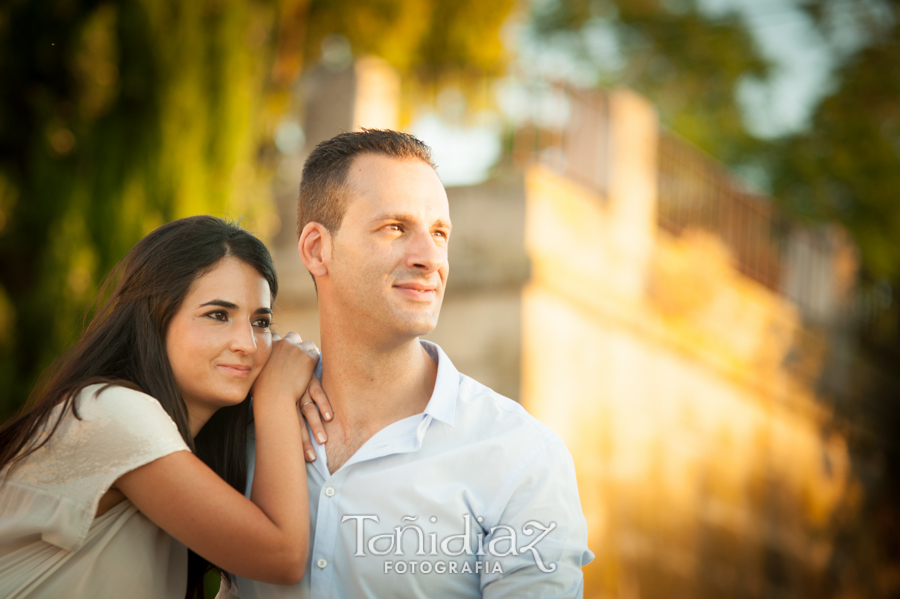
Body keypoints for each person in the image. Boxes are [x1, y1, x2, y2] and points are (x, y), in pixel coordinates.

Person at [221, 130, 593, 599]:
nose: (430, 258)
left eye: (439, 233)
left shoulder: (520, 457)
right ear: (317, 249)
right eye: (396, 228)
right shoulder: (242, 426)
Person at [0, 215, 328, 599]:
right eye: (218, 315)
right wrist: (276, 398)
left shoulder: (190, 451)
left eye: (260, 321)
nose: (248, 344)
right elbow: (282, 558)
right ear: (156, 317)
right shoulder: (110, 412)